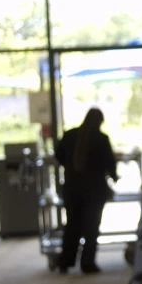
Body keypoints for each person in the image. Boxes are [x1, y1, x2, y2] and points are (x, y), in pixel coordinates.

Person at [55, 108, 118, 273]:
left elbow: (59, 156)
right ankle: (87, 262)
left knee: (72, 225)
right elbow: (109, 163)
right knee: (91, 226)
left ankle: (66, 260)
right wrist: (114, 177)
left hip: (71, 188)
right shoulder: (102, 139)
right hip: (95, 190)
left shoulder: (69, 135)